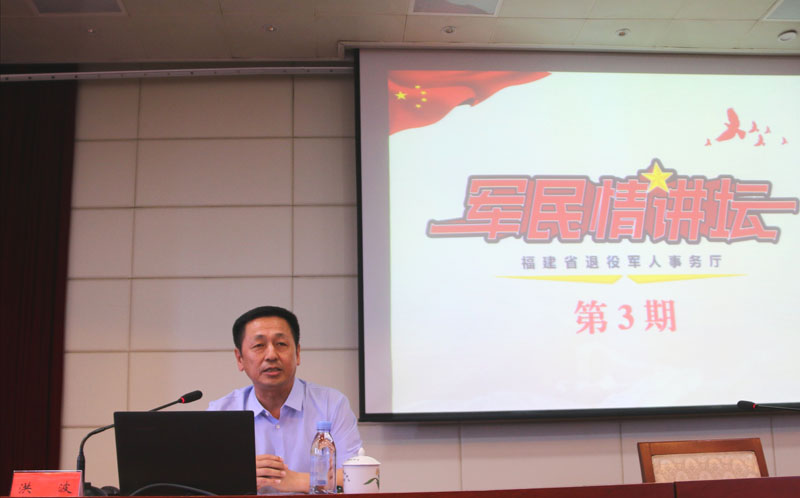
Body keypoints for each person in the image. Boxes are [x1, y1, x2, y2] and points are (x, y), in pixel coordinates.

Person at [208, 306, 362, 493]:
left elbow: (357, 477)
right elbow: (203, 483)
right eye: (259, 346)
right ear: (240, 358)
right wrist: (240, 478)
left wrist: (297, 481)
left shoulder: (332, 404)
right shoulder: (221, 412)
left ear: (297, 353)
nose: (271, 355)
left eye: (281, 344)